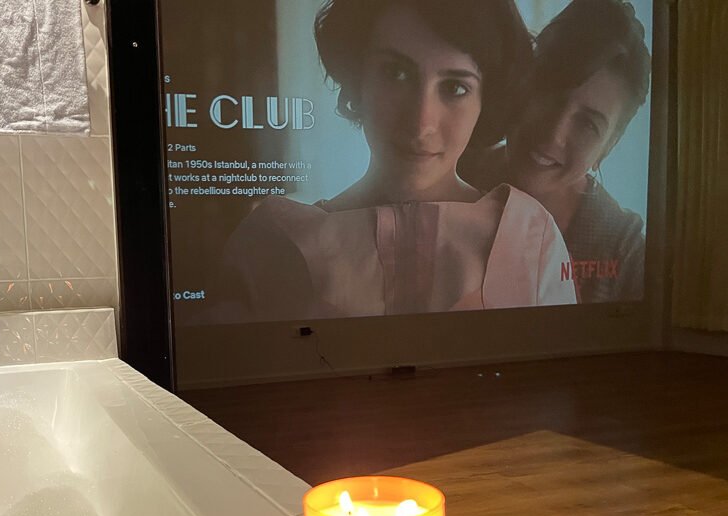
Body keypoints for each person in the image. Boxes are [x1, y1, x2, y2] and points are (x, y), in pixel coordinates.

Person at [209, 0, 577, 324]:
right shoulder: (272, 244)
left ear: (486, 100)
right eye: (396, 73)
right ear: (358, 76)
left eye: (455, 88)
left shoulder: (531, 238)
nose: (421, 123)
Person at [461, 0, 650, 303]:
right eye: (549, 95)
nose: (554, 133)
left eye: (588, 124)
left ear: (609, 146)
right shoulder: (450, 172)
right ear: (522, 81)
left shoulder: (625, 255)